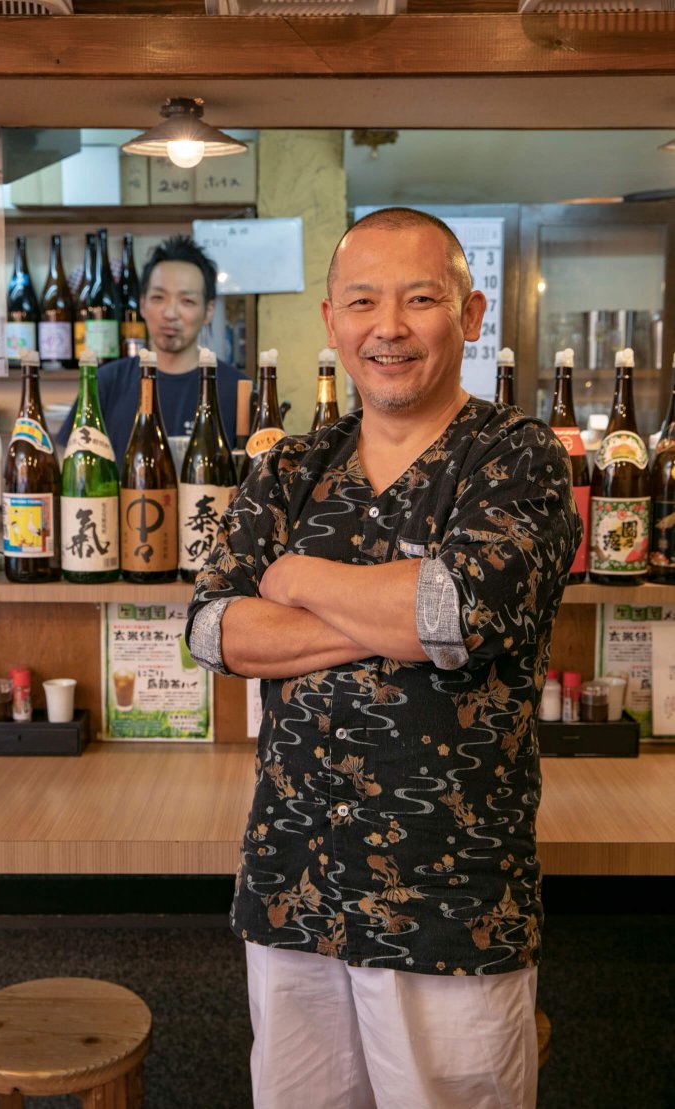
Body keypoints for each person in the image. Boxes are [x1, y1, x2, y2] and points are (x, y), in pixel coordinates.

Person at [186, 208, 581, 1109]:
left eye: (420, 299)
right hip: (292, 885)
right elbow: (213, 630)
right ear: (331, 322)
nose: (388, 326)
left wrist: (291, 575)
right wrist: (394, 613)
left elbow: (455, 612)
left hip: (450, 905)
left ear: (471, 314)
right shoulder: (289, 466)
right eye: (362, 300)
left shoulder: (516, 459)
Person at [57, 235, 248, 471]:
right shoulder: (106, 382)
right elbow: (65, 461)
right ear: (142, 303)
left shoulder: (240, 389)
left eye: (187, 301)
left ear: (209, 310)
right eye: (158, 298)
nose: (170, 313)